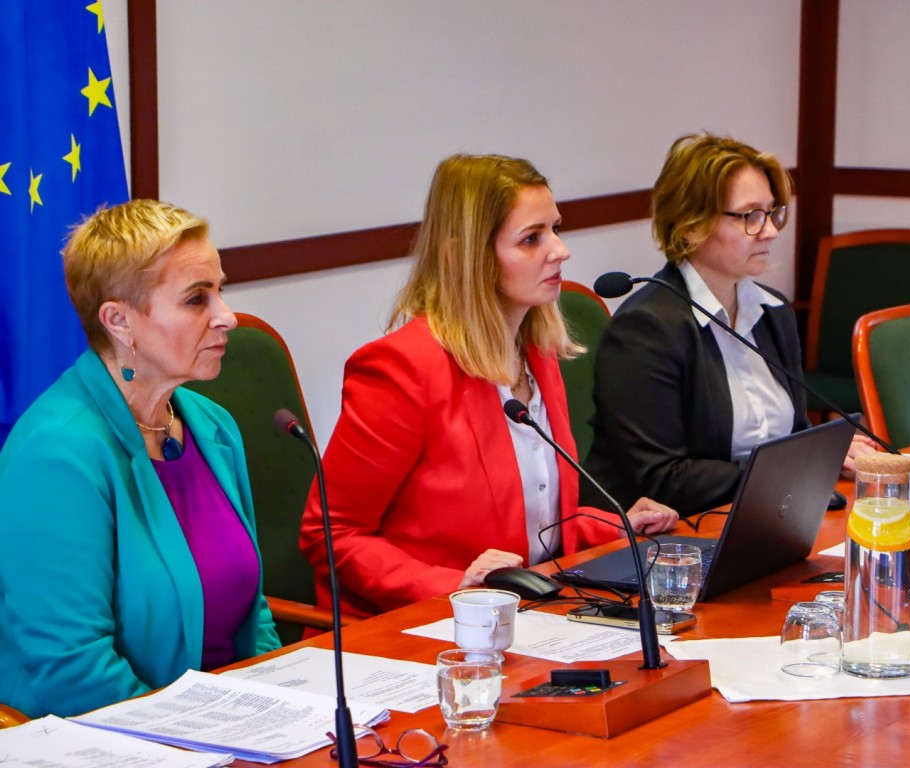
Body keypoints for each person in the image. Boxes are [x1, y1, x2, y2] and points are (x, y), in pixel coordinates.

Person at [300, 153, 678, 619]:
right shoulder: (401, 368)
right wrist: (455, 587)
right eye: (532, 238)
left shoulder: (535, 352)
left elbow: (534, 526)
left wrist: (617, 526)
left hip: (532, 612)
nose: (561, 250)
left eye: (556, 229)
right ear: (467, 257)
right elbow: (331, 535)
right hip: (425, 628)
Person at [0, 200, 280, 718]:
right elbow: (72, 669)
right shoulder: (55, 455)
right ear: (119, 321)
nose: (227, 316)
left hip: (232, 725)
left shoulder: (212, 426)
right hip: (105, 734)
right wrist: (205, 736)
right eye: (196, 299)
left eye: (220, 291)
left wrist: (278, 709)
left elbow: (253, 614)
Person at [583, 133, 874, 515]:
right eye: (750, 216)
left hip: (762, 515)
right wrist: (789, 473)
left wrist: (826, 453)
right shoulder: (646, 328)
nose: (770, 231)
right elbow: (661, 478)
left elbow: (794, 433)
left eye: (771, 213)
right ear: (690, 225)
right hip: (667, 534)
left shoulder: (773, 311)